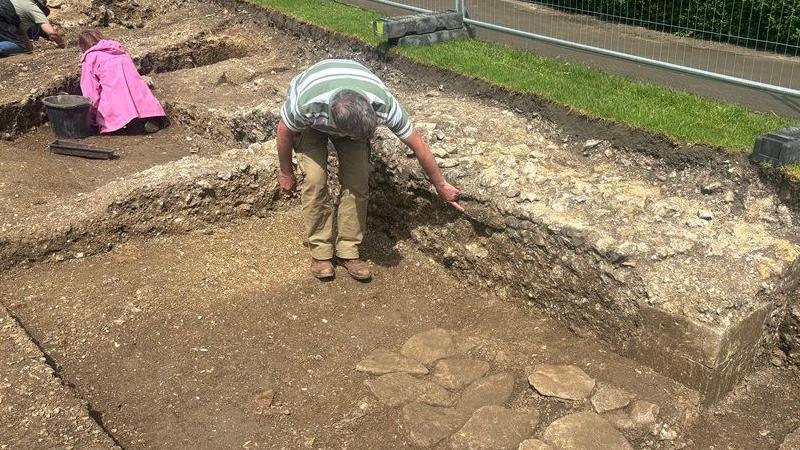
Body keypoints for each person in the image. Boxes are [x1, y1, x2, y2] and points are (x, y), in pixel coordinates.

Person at [277, 59, 463, 281]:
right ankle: (321, 253)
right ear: (338, 126)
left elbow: (418, 144)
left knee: (358, 181)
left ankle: (348, 251)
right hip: (312, 126)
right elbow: (284, 132)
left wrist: (440, 184)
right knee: (315, 181)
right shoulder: (307, 105)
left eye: (371, 132)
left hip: (352, 119)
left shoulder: (382, 103)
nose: (370, 139)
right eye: (363, 137)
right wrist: (286, 172)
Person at [78, 29, 166, 134]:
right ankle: (149, 117)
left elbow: (91, 91)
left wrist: (90, 116)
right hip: (141, 98)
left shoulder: (91, 58)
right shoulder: (119, 51)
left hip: (118, 104)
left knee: (112, 96)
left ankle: (130, 123)